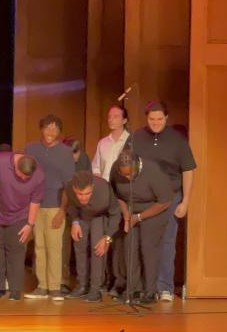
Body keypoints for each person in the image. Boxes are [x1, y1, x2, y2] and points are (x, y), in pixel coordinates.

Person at [130, 101, 196, 301]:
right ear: (146, 118)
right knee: (143, 243)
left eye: (160, 119)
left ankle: (164, 286)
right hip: (143, 197)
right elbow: (126, 166)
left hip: (170, 197)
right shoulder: (136, 137)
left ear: (166, 118)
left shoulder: (178, 140)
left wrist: (185, 201)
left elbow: (188, 170)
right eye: (152, 119)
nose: (156, 122)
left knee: (167, 241)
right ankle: (143, 287)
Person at [110, 149, 174, 304]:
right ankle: (132, 290)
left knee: (148, 248)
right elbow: (116, 195)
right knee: (129, 248)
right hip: (130, 210)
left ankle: (150, 292)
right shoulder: (116, 169)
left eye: (130, 174)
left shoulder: (153, 172)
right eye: (124, 175)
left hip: (153, 210)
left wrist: (139, 217)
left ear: (138, 166)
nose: (127, 178)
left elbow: (165, 201)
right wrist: (126, 214)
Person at [23, 115, 74, 301]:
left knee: (55, 247)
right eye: (48, 127)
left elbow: (69, 185)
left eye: (55, 128)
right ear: (41, 129)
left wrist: (62, 210)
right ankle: (42, 286)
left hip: (55, 205)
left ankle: (54, 287)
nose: (51, 131)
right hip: (35, 205)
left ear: (60, 132)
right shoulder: (30, 149)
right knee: (39, 247)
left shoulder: (65, 152)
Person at [0, 152, 44, 300]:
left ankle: (16, 289)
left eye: (26, 178)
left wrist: (30, 224)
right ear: (15, 166)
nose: (23, 179)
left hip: (20, 216)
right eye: (21, 175)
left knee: (16, 250)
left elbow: (35, 201)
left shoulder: (39, 175)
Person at [64, 171, 121, 302]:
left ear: (93, 188)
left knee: (98, 249)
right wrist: (75, 221)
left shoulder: (104, 189)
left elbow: (115, 214)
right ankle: (82, 285)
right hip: (82, 216)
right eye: (80, 194)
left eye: (87, 194)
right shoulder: (69, 187)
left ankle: (95, 289)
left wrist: (107, 237)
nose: (83, 198)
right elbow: (72, 205)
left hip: (100, 217)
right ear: (74, 189)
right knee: (80, 247)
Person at [91, 104, 130, 296]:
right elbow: (95, 167)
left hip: (122, 194)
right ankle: (104, 280)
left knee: (119, 239)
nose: (111, 119)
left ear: (124, 120)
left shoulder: (131, 142)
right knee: (104, 236)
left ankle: (119, 281)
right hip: (104, 194)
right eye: (109, 116)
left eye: (115, 116)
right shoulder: (102, 143)